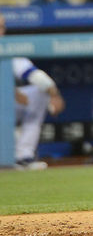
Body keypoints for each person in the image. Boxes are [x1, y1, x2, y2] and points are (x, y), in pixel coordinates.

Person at [2, 15, 66, 170]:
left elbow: (33, 74)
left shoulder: (7, 47)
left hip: (5, 105)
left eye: (2, 27)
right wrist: (10, 91)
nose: (1, 31)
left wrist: (54, 94)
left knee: (40, 93)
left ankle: (23, 156)